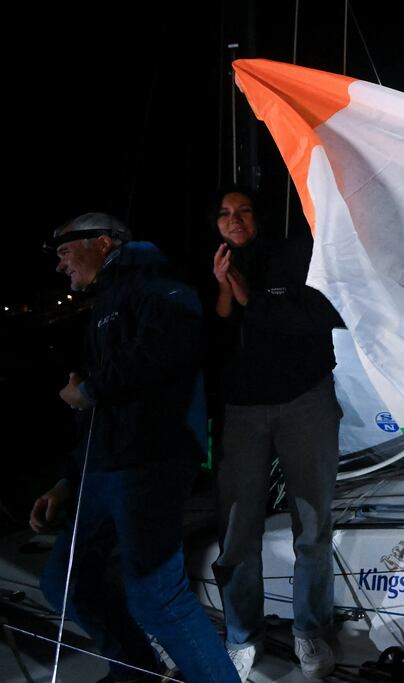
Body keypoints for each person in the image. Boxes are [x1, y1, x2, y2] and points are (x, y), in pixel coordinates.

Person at [33, 213, 238, 683]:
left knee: (157, 597)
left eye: (65, 251)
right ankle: (136, 672)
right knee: (65, 582)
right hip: (105, 466)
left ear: (103, 242)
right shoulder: (109, 298)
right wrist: (67, 480)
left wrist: (89, 390)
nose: (60, 266)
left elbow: (171, 346)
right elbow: (101, 409)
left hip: (151, 459)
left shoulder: (155, 279)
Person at [209, 188, 344, 681]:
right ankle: (242, 634)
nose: (235, 220)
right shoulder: (211, 266)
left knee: (312, 522)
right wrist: (226, 291)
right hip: (240, 410)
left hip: (304, 399)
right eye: (224, 214)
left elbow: (317, 319)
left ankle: (311, 629)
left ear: (259, 216)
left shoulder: (295, 255)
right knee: (237, 529)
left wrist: (251, 297)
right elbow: (212, 340)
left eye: (244, 210)